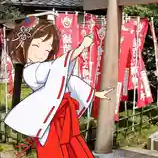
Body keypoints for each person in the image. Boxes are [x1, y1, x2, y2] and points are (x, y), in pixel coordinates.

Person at [4, 16, 114, 158]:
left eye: (47, 48)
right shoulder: (31, 71)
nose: (43, 52)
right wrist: (81, 48)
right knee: (54, 148)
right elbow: (57, 67)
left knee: (72, 146)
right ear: (22, 45)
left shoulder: (47, 67)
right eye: (37, 45)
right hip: (51, 118)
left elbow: (68, 79)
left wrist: (95, 93)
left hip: (62, 113)